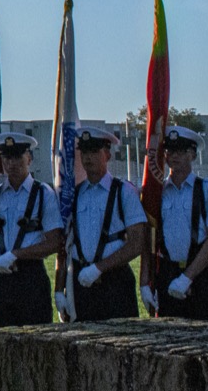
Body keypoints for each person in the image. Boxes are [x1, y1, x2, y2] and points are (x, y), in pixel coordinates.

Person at [56, 125, 145, 321]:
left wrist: (99, 268)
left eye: (94, 152)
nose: (88, 158)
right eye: (85, 152)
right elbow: (66, 244)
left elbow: (138, 242)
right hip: (82, 284)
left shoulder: (124, 192)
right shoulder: (75, 195)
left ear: (107, 155)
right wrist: (60, 288)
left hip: (115, 282)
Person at [147, 126, 208, 322]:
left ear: (193, 154)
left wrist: (187, 277)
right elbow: (149, 236)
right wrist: (147, 283)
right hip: (168, 274)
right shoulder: (158, 192)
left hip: (202, 275)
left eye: (180, 151)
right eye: (169, 151)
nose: (173, 156)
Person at [0, 132, 62, 326]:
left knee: (37, 343)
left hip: (30, 278)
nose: (12, 163)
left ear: (29, 158)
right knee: (1, 345)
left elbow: (54, 242)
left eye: (18, 156)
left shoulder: (44, 193)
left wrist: (16, 255)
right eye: (7, 157)